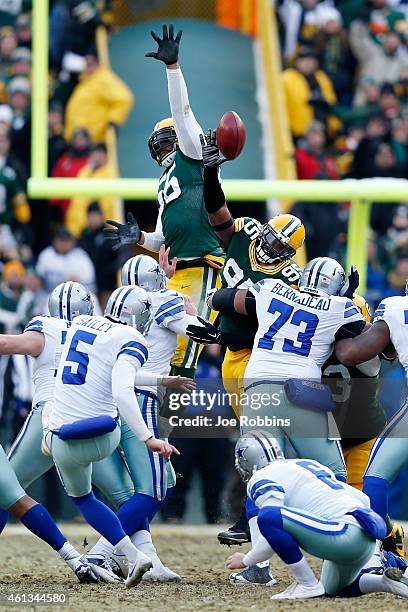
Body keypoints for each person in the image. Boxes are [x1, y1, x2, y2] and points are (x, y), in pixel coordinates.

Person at [189, 131, 304, 552]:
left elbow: (247, 308)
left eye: (280, 245)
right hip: (233, 358)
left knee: (258, 441)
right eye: (271, 237)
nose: (270, 246)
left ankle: (251, 518)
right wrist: (211, 171)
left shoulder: (287, 279)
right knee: (251, 439)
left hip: (262, 360)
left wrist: (222, 307)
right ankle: (257, 514)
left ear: (290, 254)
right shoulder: (245, 234)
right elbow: (216, 211)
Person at [45, 285, 191, 587]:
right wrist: (148, 438)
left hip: (63, 435)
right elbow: (123, 391)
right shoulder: (133, 338)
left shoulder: (81, 325)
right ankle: (111, 554)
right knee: (153, 487)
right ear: (142, 317)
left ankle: (126, 554)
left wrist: (163, 379)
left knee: (87, 498)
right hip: (105, 431)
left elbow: (101, 371)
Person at [104, 24, 224, 380]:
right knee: (158, 349)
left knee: (182, 354)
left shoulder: (191, 155)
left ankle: (168, 425)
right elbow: (162, 238)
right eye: (159, 143)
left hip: (203, 265)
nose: (162, 148)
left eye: (166, 141)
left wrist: (173, 69)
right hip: (176, 272)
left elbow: (182, 111)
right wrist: (139, 237)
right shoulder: (165, 180)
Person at [86, 254, 204, 582]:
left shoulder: (118, 306)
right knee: (154, 487)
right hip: (142, 400)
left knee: (154, 483)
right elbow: (203, 334)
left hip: (107, 398)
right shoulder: (166, 300)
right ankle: (100, 552)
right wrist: (194, 311)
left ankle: (145, 555)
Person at [226, 433, 407, 600]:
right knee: (338, 589)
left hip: (342, 533)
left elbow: (271, 522)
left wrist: (246, 559)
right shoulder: (306, 465)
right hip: (364, 538)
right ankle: (386, 582)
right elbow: (363, 499)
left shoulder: (261, 476)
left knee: (269, 517)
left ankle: (307, 584)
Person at [335, 281, 408, 559]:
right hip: (332, 427)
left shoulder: (395, 307)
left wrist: (340, 327)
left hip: (356, 426)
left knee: (374, 480)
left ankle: (379, 552)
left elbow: (351, 353)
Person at [64, 48, 134, 143]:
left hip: (93, 139)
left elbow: (124, 98)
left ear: (99, 64)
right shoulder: (86, 81)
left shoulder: (103, 79)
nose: (88, 67)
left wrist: (113, 121)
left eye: (91, 64)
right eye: (86, 64)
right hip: (78, 139)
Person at [282, 48, 340, 138]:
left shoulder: (321, 77)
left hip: (323, 129)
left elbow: (331, 101)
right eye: (304, 60)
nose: (308, 63)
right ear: (297, 61)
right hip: (298, 131)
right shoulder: (287, 78)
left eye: (311, 60)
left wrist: (335, 126)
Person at [66, 143, 119, 237]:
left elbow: (107, 202)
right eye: (94, 154)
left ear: (105, 156)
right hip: (80, 224)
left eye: (100, 154)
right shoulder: (85, 171)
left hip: (101, 224)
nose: (96, 157)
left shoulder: (110, 172)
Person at [36, 227, 96, 293]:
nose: (64, 244)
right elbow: (38, 278)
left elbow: (91, 285)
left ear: (73, 242)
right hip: (48, 296)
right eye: (61, 240)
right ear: (54, 241)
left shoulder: (80, 256)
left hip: (74, 298)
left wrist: (78, 285)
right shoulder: (46, 254)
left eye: (67, 240)